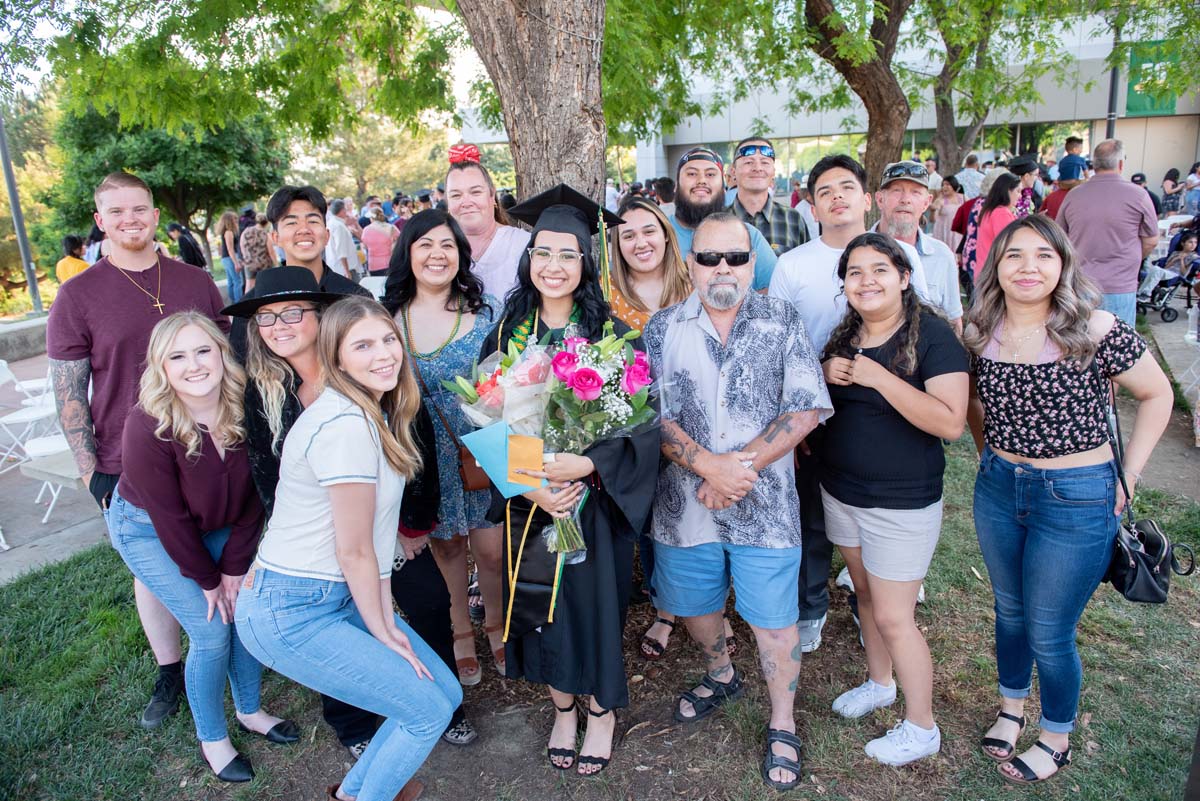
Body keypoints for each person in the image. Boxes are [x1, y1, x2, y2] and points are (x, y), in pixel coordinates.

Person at [964, 214, 1172, 785]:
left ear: (1063, 265)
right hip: (999, 489)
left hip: (1078, 495)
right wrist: (990, 453)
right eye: (1014, 256)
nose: (1029, 267)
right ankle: (1011, 709)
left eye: (1043, 255)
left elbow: (1157, 395)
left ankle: (1056, 736)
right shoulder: (978, 330)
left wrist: (1126, 477)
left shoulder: (1096, 328)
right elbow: (975, 404)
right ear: (995, 268)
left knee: (1049, 629)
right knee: (1009, 612)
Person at [236, 295, 461, 801]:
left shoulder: (370, 413)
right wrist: (382, 626)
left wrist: (383, 615)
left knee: (443, 694)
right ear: (336, 358)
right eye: (363, 345)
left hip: (326, 597)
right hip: (291, 610)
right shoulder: (346, 427)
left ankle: (353, 795)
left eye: (388, 339)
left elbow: (375, 547)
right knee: (425, 711)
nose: (384, 354)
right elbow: (354, 551)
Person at [645, 212, 831, 791]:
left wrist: (737, 469)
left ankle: (783, 720)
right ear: (689, 264)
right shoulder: (661, 328)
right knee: (697, 608)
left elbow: (804, 408)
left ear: (754, 262)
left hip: (765, 504)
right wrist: (706, 466)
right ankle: (721, 673)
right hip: (684, 507)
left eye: (736, 257)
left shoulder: (782, 319)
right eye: (708, 258)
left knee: (776, 624)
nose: (722, 268)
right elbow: (647, 416)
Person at [484, 184, 659, 776]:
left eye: (568, 254)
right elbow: (485, 423)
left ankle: (602, 711)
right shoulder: (506, 335)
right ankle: (562, 706)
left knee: (592, 604)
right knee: (544, 609)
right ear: (528, 258)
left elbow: (643, 424)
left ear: (585, 262)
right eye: (543, 253)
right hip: (533, 503)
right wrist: (531, 483)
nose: (553, 266)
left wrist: (587, 466)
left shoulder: (613, 335)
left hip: (593, 500)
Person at [48, 171, 229, 731]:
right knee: (152, 569)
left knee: (216, 549)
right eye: (117, 212)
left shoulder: (195, 280)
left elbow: (227, 358)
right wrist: (89, 473)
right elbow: (68, 391)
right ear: (100, 222)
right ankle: (170, 669)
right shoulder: (78, 295)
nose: (131, 220)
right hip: (127, 462)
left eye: (140, 210)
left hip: (207, 449)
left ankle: (228, 646)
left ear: (154, 215)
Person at [107, 312, 295, 782]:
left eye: (203, 350)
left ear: (221, 352)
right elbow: (170, 519)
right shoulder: (147, 424)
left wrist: (234, 571)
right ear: (161, 367)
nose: (193, 365)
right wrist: (209, 581)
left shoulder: (246, 401)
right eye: (177, 356)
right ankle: (213, 738)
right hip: (148, 529)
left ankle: (250, 711)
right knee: (211, 630)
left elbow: (257, 492)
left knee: (244, 606)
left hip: (222, 522)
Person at [768, 154, 930, 653]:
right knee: (812, 515)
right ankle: (812, 604)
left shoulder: (901, 254)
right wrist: (813, 379)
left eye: (846, 187)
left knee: (879, 512)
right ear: (811, 207)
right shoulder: (793, 265)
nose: (836, 196)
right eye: (824, 191)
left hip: (888, 411)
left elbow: (920, 327)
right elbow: (776, 345)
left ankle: (880, 607)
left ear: (866, 199)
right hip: (815, 412)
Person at [819, 233, 968, 765]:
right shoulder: (845, 337)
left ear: (904, 277)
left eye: (879, 269)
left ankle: (922, 726)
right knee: (863, 596)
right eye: (854, 272)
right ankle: (879, 683)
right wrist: (824, 373)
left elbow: (951, 424)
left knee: (894, 617)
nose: (867, 281)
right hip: (842, 492)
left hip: (901, 502)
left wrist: (879, 377)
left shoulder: (934, 338)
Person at [380, 209, 503, 689]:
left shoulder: (487, 310)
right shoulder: (386, 318)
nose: (437, 254)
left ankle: (496, 624)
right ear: (407, 254)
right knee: (447, 547)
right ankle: (460, 635)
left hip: (481, 447)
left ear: (461, 254)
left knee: (491, 550)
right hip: (420, 455)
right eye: (425, 245)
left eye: (447, 245)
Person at [603, 195, 693, 658]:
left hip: (697, 422)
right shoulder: (606, 296)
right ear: (616, 244)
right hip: (637, 427)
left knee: (691, 514)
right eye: (628, 235)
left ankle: (683, 608)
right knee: (650, 518)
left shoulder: (695, 282)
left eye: (648, 230)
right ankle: (662, 603)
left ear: (665, 234)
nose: (640, 242)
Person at [228, 185, 372, 359]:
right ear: (275, 238)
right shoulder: (251, 310)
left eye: (312, 221)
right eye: (291, 222)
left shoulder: (356, 298)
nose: (304, 229)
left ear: (326, 235)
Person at [1058, 139, 1159, 325]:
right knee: (1119, 347)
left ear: (1094, 165)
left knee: (1080, 345)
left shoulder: (1074, 195)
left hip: (1081, 283)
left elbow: (1059, 238)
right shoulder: (1139, 195)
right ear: (1121, 164)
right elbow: (1151, 240)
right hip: (1120, 283)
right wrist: (1134, 258)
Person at [669, 147, 778, 291]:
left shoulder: (748, 235)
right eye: (692, 173)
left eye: (710, 174)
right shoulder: (657, 234)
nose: (701, 180)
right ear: (676, 186)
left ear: (723, 188)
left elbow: (774, 290)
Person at [874, 161, 964, 331]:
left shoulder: (942, 256)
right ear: (880, 199)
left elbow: (954, 321)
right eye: (897, 191)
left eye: (915, 192)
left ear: (926, 202)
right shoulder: (856, 252)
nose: (905, 200)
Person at [444, 144, 530, 302]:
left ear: (492, 196)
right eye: (456, 195)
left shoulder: (522, 244)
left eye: (475, 192)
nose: (466, 202)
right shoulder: (439, 251)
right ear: (448, 204)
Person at [728, 137, 809, 255]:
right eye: (749, 162)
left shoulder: (793, 219)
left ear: (773, 172)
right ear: (733, 171)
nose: (757, 168)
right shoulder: (716, 221)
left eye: (765, 162)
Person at [974, 172, 1022, 278]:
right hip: (994, 273)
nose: (1020, 196)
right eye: (1018, 191)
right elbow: (1009, 243)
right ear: (1007, 191)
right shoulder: (1001, 213)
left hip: (985, 270)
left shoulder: (989, 210)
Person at [1139, 231, 1199, 300]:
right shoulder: (1175, 253)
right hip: (1167, 273)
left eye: (1195, 242)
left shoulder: (1193, 257)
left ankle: (1146, 293)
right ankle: (1140, 292)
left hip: (1176, 275)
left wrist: (1182, 260)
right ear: (1183, 243)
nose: (1193, 245)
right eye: (1190, 242)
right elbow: (1166, 268)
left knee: (1156, 270)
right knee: (1155, 269)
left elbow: (1184, 273)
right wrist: (1174, 259)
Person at [239, 213, 274, 293]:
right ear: (266, 223)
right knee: (265, 285)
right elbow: (271, 251)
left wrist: (246, 256)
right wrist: (275, 263)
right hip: (264, 264)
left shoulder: (246, 231)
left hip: (249, 263)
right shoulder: (265, 234)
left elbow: (242, 245)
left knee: (249, 286)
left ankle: (247, 303)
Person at [361, 206, 401, 277]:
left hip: (373, 265)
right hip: (390, 263)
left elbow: (364, 246)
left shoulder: (366, 230)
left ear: (371, 218)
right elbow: (400, 242)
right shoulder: (391, 227)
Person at [325, 198, 359, 279]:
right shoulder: (338, 226)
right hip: (344, 269)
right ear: (342, 210)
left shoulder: (331, 223)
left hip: (337, 268)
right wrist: (347, 271)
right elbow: (341, 250)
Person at [216, 210, 245, 303]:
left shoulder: (226, 232)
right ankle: (238, 303)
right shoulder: (229, 232)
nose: (236, 221)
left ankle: (233, 302)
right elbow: (230, 249)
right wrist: (236, 262)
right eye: (234, 219)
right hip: (230, 258)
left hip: (226, 258)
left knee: (231, 282)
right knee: (237, 281)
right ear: (229, 220)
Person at [930, 176, 963, 252]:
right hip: (945, 232)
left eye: (947, 184)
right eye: (943, 185)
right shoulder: (940, 200)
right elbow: (933, 219)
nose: (944, 187)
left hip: (958, 233)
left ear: (954, 185)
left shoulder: (963, 198)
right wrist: (933, 211)